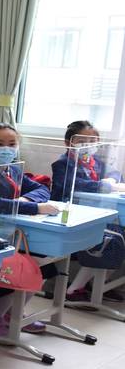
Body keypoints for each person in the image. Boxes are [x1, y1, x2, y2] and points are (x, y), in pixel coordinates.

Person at [0, 123, 58, 336]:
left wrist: (25, 199)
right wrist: (32, 207)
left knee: (46, 266)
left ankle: (13, 313)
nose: (6, 149)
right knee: (23, 267)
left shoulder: (14, 170)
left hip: (13, 233)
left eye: (11, 144)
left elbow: (42, 188)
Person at [51, 121, 123, 302]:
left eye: (93, 141)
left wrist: (111, 181)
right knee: (112, 239)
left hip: (94, 213)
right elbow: (75, 187)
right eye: (83, 141)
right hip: (70, 215)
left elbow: (115, 173)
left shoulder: (94, 162)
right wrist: (102, 185)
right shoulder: (62, 164)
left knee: (119, 235)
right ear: (68, 143)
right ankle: (75, 289)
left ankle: (98, 285)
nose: (89, 145)